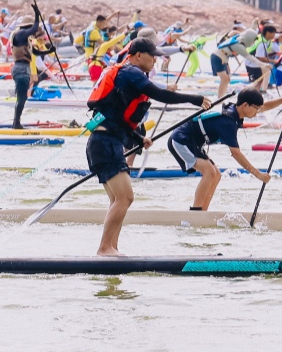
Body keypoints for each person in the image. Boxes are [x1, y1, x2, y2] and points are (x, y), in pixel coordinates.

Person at [84, 38, 210, 255]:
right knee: (125, 198)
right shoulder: (131, 72)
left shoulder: (124, 74)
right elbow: (161, 95)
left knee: (118, 200)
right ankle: (104, 248)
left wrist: (138, 138)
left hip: (103, 142)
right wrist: (195, 99)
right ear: (138, 55)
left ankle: (112, 248)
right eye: (152, 56)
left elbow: (114, 116)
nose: (155, 61)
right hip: (105, 144)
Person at [169, 87, 282, 210]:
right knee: (209, 172)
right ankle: (195, 213)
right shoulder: (228, 122)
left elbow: (265, 106)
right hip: (181, 140)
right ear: (245, 105)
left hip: (193, 142)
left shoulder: (237, 110)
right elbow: (236, 154)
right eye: (256, 108)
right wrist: (257, 174)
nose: (258, 111)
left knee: (216, 175)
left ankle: (203, 212)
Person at [9, 5, 44, 129]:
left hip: (24, 68)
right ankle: (16, 123)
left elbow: (35, 52)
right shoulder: (20, 34)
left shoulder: (25, 39)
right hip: (21, 69)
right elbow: (35, 27)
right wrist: (36, 13)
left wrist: (49, 50)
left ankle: (16, 122)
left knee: (22, 97)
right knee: (22, 97)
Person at [211, 26, 271, 98]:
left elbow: (250, 31)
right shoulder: (237, 45)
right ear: (249, 39)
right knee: (225, 80)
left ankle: (221, 97)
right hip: (217, 57)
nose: (253, 43)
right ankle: (220, 98)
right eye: (253, 41)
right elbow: (249, 57)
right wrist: (264, 65)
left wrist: (254, 23)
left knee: (227, 80)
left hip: (224, 58)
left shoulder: (240, 38)